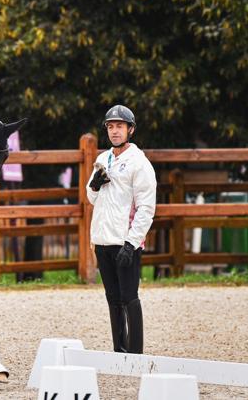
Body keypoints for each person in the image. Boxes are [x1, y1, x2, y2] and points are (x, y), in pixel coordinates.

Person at [87, 104, 156, 354]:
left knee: (129, 297)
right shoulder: (102, 159)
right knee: (112, 298)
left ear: (131, 130)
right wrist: (94, 185)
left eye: (120, 126)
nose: (114, 131)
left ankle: (135, 352)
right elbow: (92, 198)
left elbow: (146, 208)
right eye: (110, 126)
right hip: (103, 239)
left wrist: (132, 243)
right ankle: (119, 350)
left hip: (125, 241)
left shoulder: (139, 163)